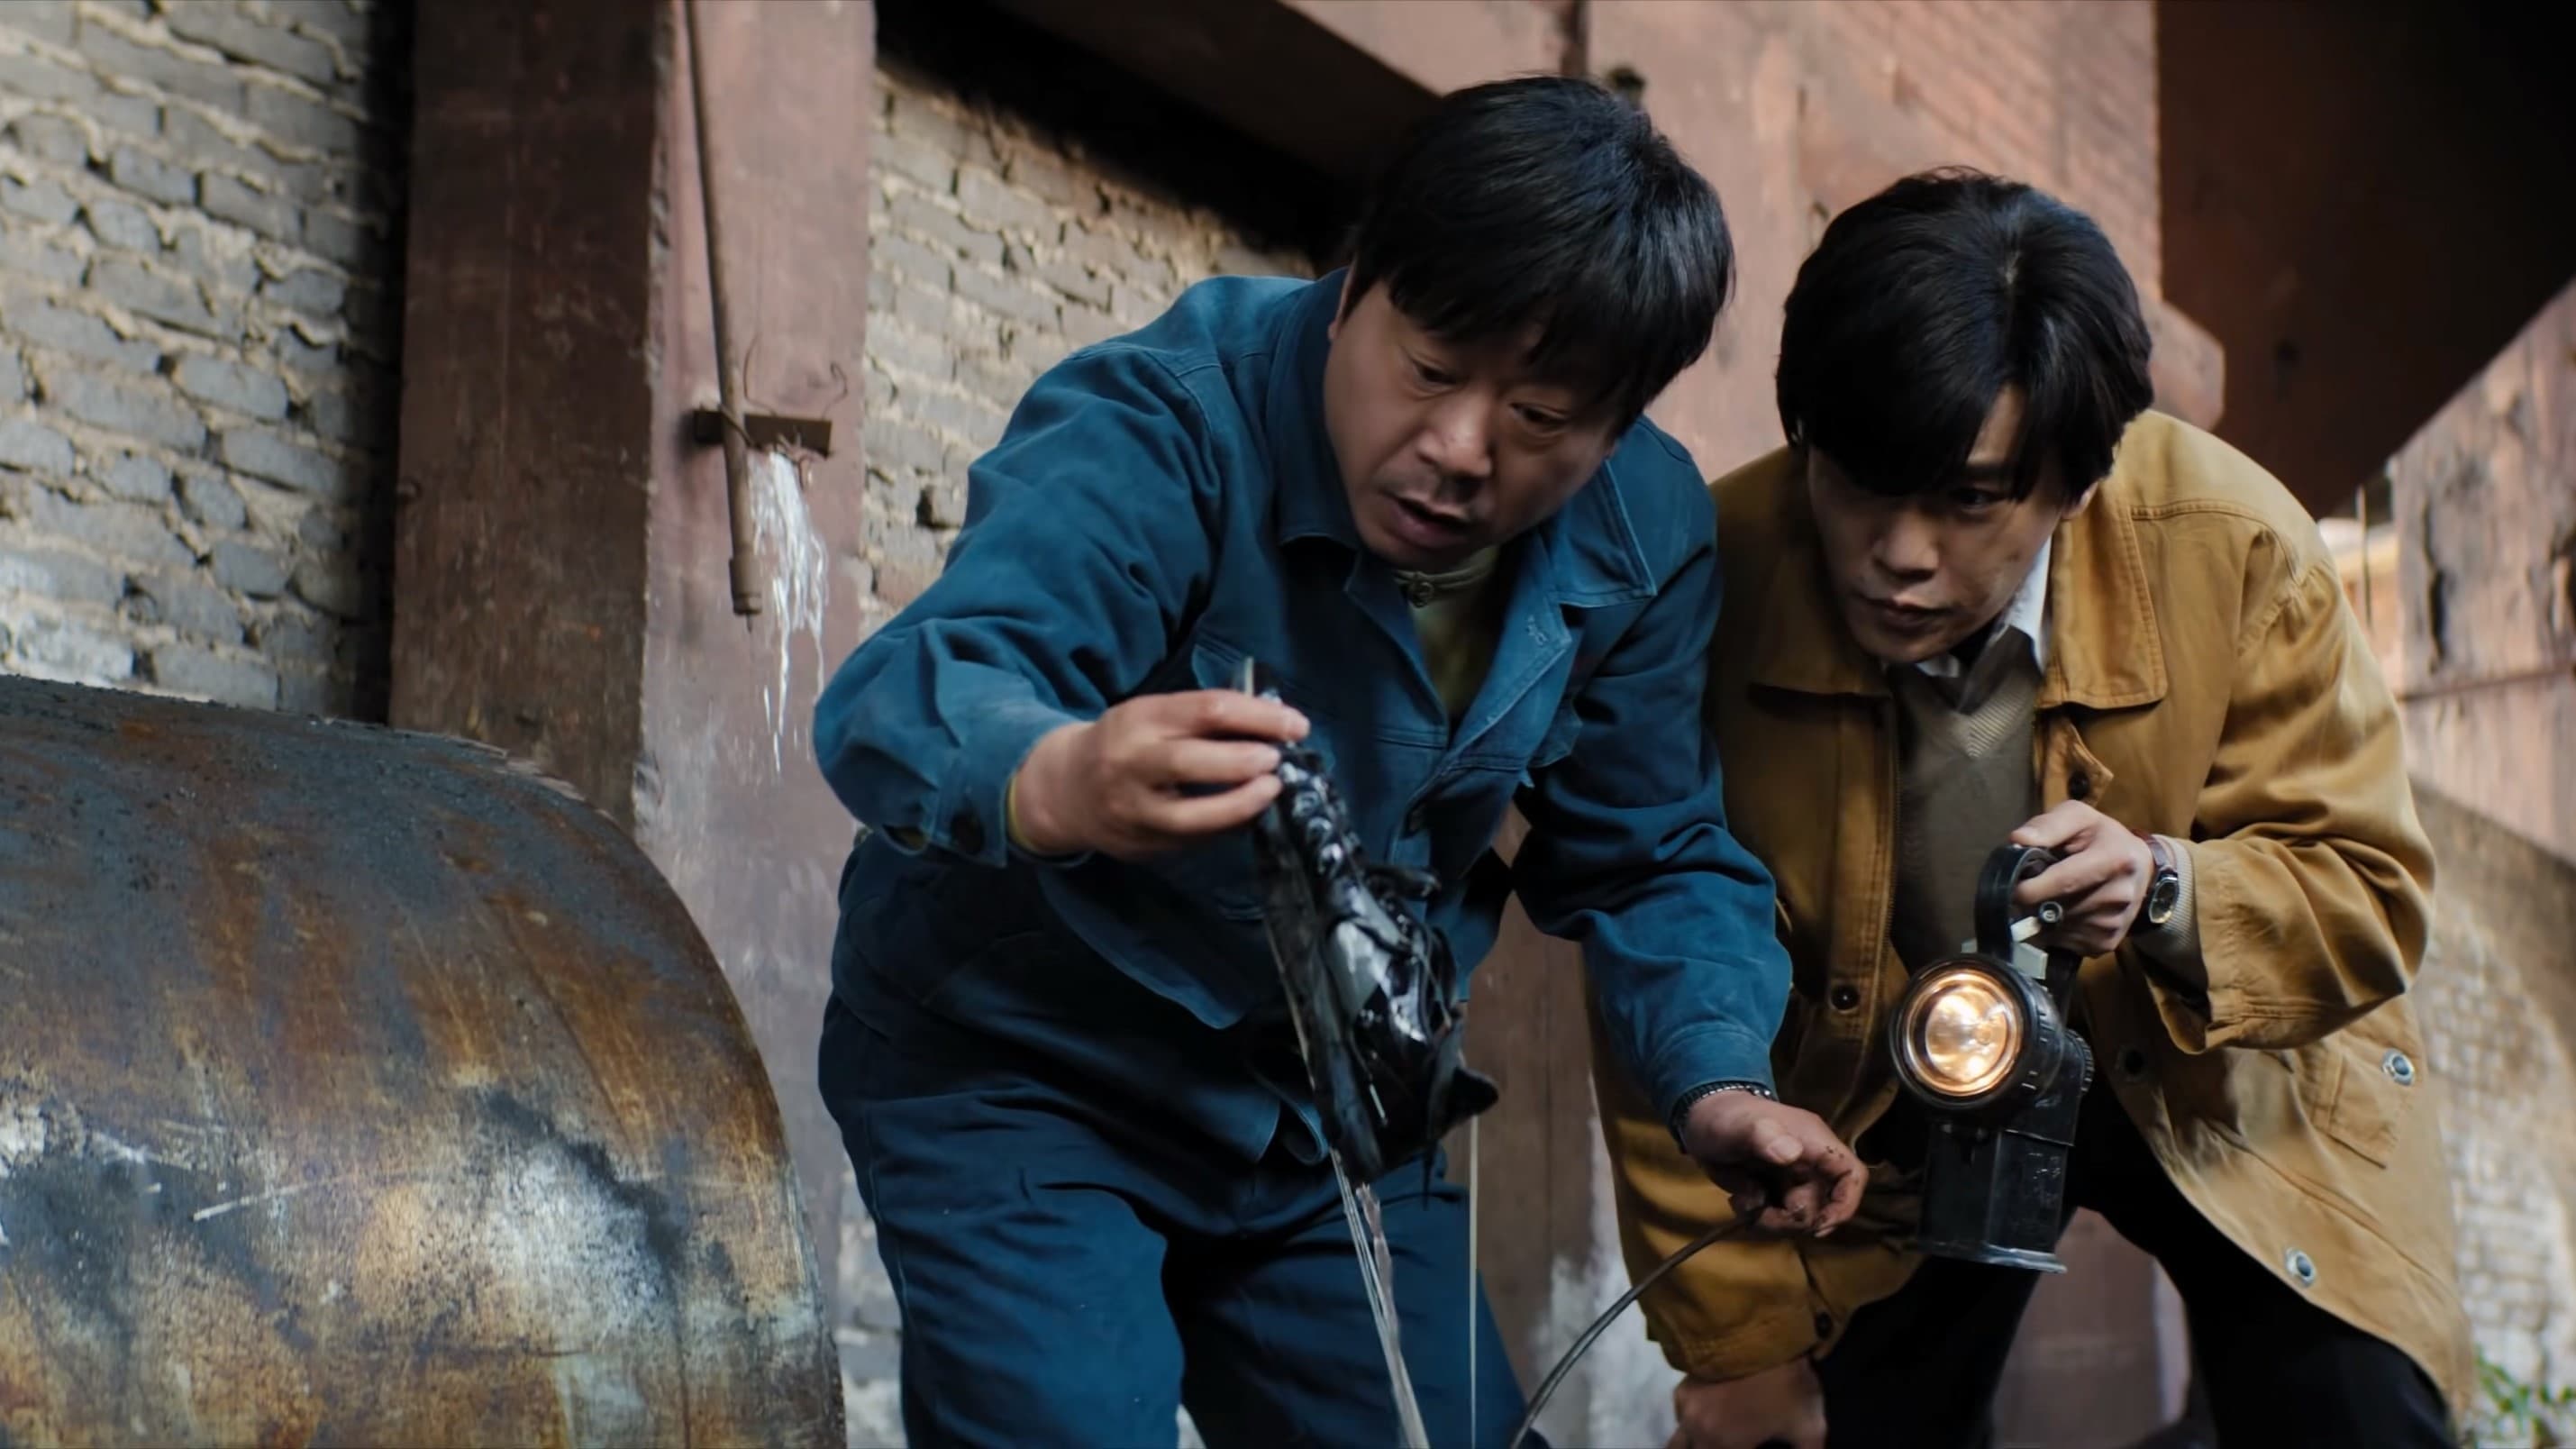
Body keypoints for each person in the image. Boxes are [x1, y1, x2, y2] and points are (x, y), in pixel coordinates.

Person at [810, 76, 1865, 1449]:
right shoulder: (1172, 418)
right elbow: (914, 690)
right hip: (1024, 1062)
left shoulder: (1643, 533)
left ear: (1619, 426)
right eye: (1428, 369)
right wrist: (1059, 776)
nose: (1459, 450)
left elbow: (1651, 849)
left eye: (1541, 417)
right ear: (1357, 285)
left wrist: (1721, 1078)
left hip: (1327, 1109)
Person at [1593, 169, 2474, 1449]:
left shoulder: (2236, 544)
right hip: (1896, 1100)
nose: (1899, 554)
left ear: (2077, 483)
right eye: (1857, 481)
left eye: (1967, 500)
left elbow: (2368, 896)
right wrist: (1742, 1345)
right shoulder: (1715, 571)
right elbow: (1659, 931)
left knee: (2356, 1417)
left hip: (2235, 1078)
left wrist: (2168, 890)